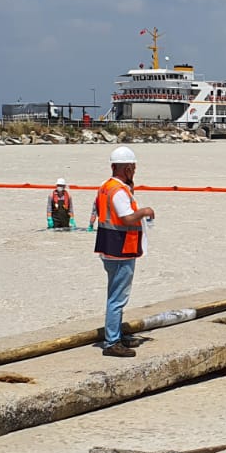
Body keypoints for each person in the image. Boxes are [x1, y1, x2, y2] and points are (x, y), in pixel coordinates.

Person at [94, 145, 155, 358]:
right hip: (121, 248)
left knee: (116, 294)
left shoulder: (106, 186)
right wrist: (145, 211)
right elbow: (127, 218)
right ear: (128, 168)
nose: (135, 171)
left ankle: (116, 335)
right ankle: (112, 342)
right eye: (133, 168)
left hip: (109, 246)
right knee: (118, 298)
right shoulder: (118, 191)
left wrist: (130, 187)